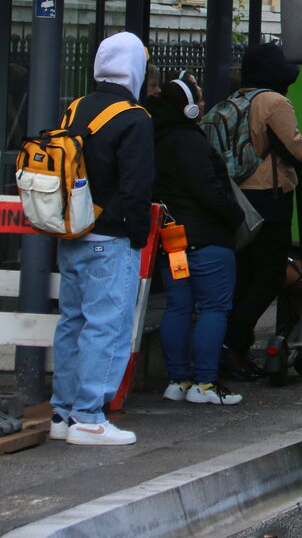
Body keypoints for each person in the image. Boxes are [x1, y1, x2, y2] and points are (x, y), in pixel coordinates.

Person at [48, 32, 154, 446]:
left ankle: (62, 411)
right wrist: (136, 235)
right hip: (111, 239)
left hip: (72, 233)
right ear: (134, 69)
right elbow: (137, 186)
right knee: (106, 326)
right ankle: (89, 416)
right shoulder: (134, 117)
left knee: (72, 322)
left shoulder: (76, 108)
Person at [220, 43, 302, 380]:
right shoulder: (274, 102)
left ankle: (233, 344)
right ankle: (233, 341)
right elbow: (299, 151)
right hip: (269, 198)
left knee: (245, 274)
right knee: (270, 273)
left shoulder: (234, 100)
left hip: (237, 200)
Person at [147, 76, 245, 405]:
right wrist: (235, 216)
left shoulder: (156, 139)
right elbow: (209, 191)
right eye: (199, 100)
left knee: (178, 305)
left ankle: (178, 381)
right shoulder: (190, 141)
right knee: (214, 308)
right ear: (188, 107)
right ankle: (205, 384)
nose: (203, 105)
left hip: (174, 243)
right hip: (207, 242)